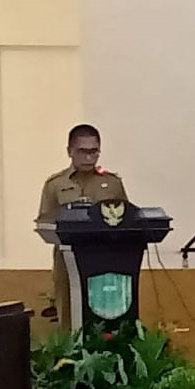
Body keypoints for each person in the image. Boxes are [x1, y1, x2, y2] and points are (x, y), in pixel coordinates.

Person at [37, 124, 129, 325]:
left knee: (105, 313)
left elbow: (126, 218)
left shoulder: (112, 183)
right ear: (70, 151)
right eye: (82, 151)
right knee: (68, 313)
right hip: (68, 258)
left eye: (94, 152)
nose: (89, 157)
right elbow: (44, 221)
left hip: (106, 257)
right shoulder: (55, 184)